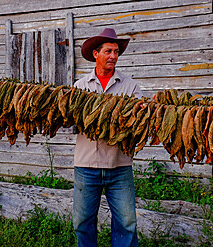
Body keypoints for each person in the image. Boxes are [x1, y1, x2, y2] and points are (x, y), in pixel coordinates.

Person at [73, 28, 143, 247]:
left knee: (127, 221)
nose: (113, 56)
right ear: (96, 54)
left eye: (116, 52)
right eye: (108, 51)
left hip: (119, 165)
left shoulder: (130, 86)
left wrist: (139, 112)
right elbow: (72, 120)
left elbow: (138, 123)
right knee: (82, 221)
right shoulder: (80, 87)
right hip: (86, 165)